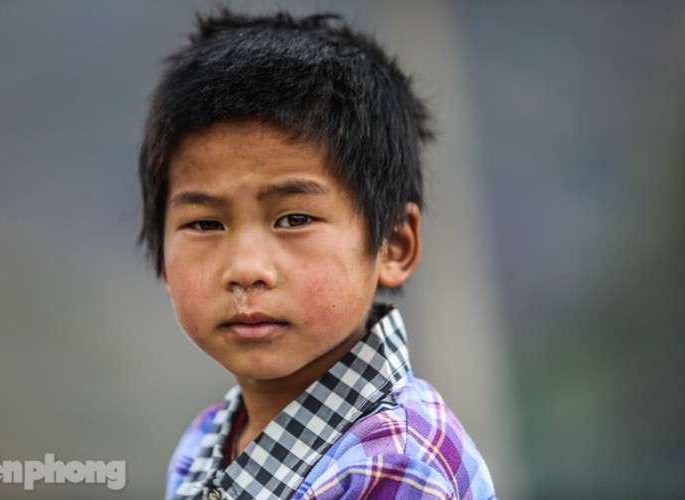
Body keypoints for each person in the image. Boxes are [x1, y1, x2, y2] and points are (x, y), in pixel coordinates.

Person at [138, 9, 496, 500]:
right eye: (205, 224)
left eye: (294, 219)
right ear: (160, 251)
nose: (245, 269)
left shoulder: (396, 463)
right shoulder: (204, 442)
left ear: (394, 244)